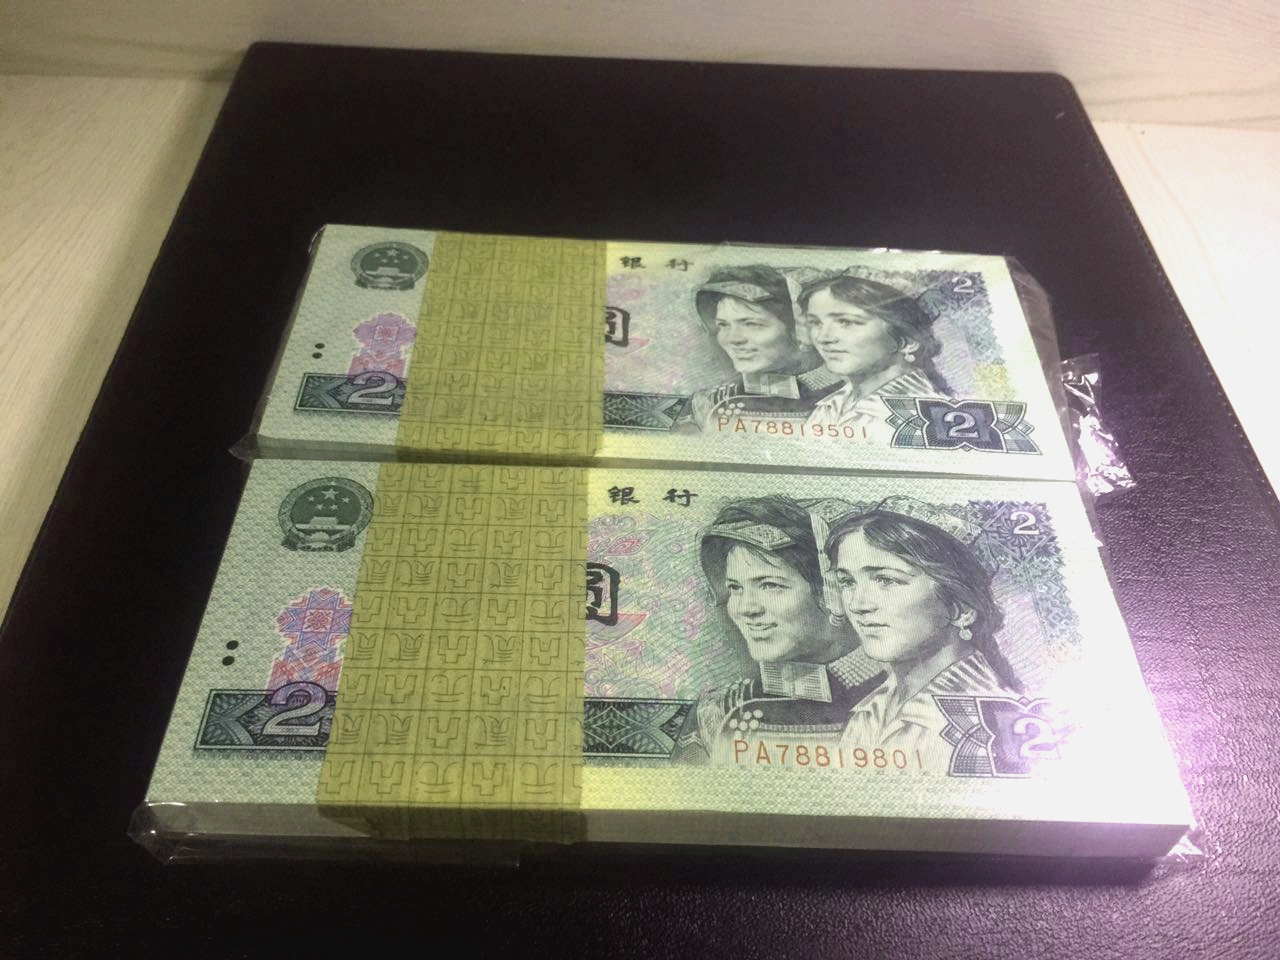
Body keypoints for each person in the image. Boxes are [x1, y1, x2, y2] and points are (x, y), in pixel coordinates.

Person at [674, 495, 885, 764]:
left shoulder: (905, 695)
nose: (745, 608)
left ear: (833, 591)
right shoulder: (718, 712)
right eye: (735, 588)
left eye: (770, 585)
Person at [823, 501, 1021, 767]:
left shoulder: (988, 722)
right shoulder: (873, 708)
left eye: (886, 580)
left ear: (961, 608)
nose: (858, 604)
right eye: (847, 582)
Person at [675, 266, 844, 432]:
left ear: (798, 329)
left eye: (751, 324)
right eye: (723, 325)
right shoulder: (705, 405)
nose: (733, 339)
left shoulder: (850, 395)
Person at [800, 275, 951, 442]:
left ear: (907, 341)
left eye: (846, 322)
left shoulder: (922, 418)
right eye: (815, 323)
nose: (823, 337)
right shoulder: (833, 404)